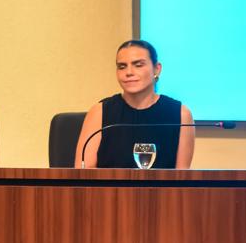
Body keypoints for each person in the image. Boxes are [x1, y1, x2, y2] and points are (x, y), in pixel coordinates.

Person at [75, 39, 194, 169]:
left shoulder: (180, 114)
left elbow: (182, 179)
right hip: (108, 190)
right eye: (122, 66)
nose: (129, 72)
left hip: (161, 190)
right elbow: (83, 174)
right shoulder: (100, 112)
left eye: (138, 65)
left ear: (156, 69)